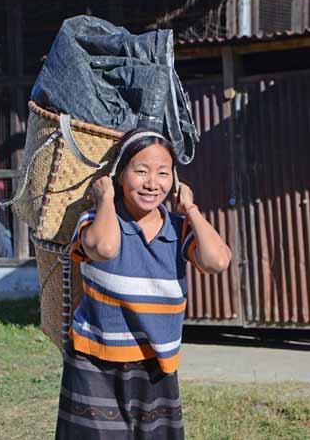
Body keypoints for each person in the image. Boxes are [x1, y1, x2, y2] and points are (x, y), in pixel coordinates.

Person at [55, 128, 231, 440]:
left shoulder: (178, 230)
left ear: (174, 181)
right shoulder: (94, 221)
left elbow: (217, 261)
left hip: (156, 364)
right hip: (96, 361)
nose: (152, 183)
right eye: (141, 171)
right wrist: (106, 196)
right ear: (120, 175)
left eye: (164, 173)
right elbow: (105, 248)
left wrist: (189, 208)